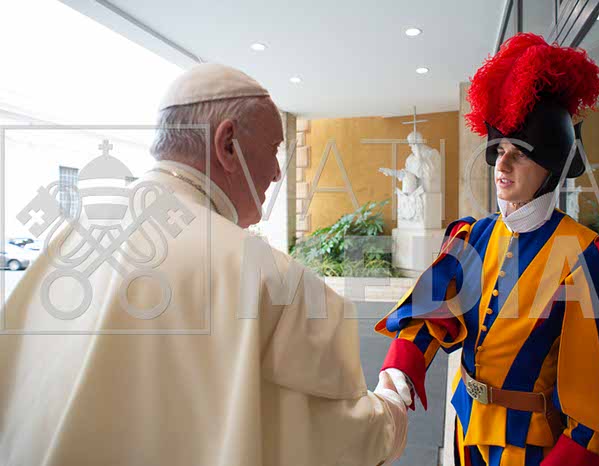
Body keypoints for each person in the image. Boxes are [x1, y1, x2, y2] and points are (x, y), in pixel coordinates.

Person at [0, 64, 407, 466]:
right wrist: (391, 403)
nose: (276, 172)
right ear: (227, 144)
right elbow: (337, 440)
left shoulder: (68, 240)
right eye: (273, 150)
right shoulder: (266, 277)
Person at [374, 33, 599, 466]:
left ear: (551, 167)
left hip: (532, 446)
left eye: (520, 153)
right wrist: (400, 365)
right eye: (500, 150)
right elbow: (432, 310)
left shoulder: (588, 255)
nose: (503, 164)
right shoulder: (473, 236)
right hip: (465, 426)